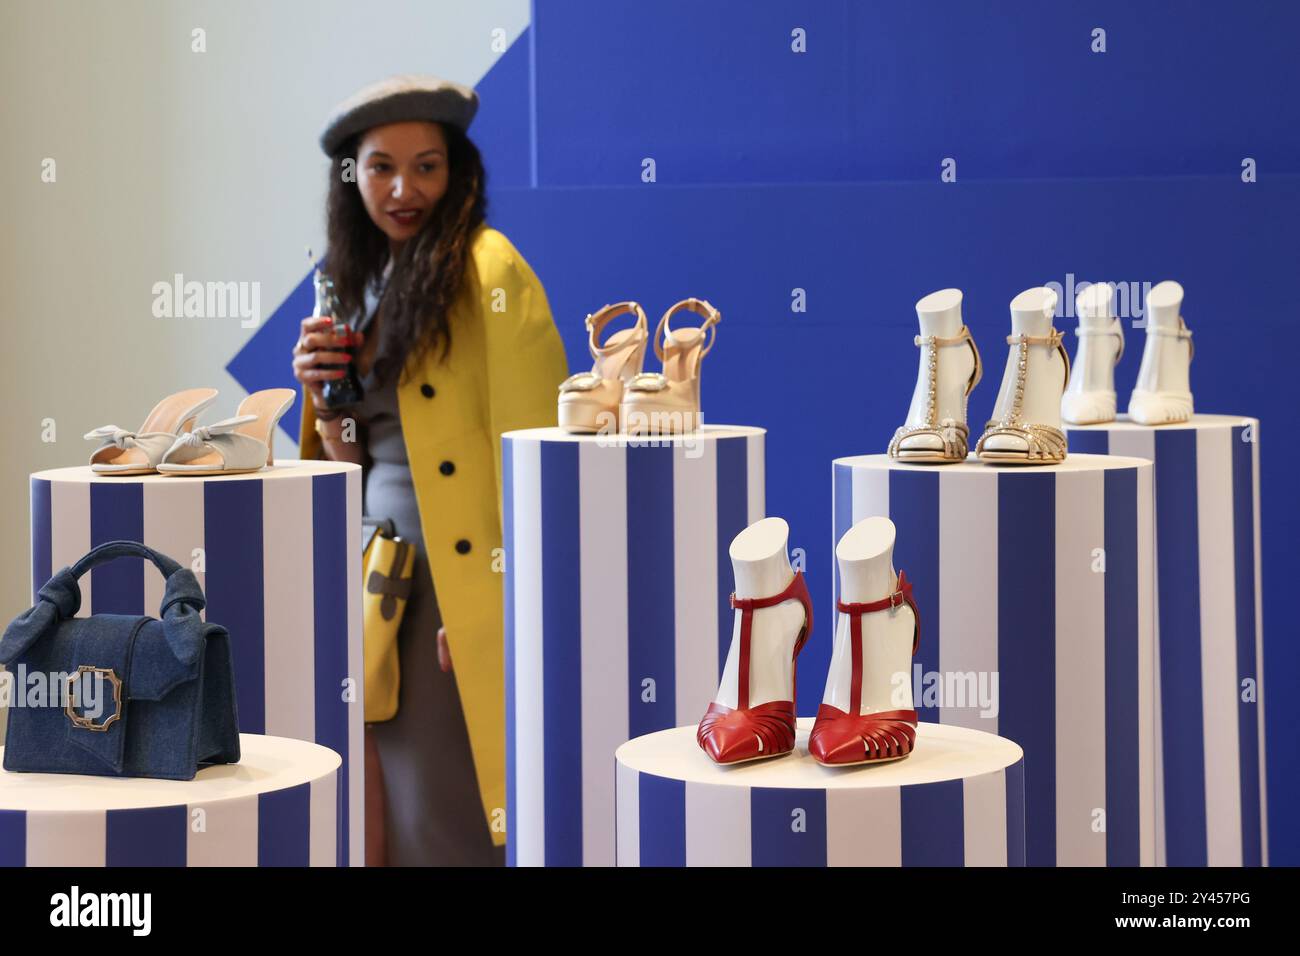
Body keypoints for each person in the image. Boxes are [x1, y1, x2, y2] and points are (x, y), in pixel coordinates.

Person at [292, 75, 567, 866]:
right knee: (382, 803)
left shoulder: (488, 270)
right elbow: (353, 455)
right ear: (352, 177)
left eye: (427, 166)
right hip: (378, 578)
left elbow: (535, 443)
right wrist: (319, 392)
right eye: (381, 167)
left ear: (459, 173)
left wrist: (504, 598)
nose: (404, 189)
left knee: (451, 805)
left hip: (459, 585)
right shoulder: (356, 280)